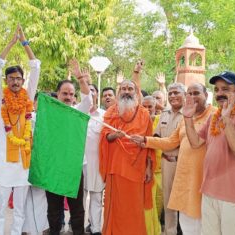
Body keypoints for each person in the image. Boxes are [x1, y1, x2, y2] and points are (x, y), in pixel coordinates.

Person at [132, 83, 216, 235]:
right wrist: (145, 140)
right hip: (181, 172)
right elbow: (171, 141)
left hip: (202, 175)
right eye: (189, 93)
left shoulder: (214, 115)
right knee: (183, 215)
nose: (192, 97)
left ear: (206, 95)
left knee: (202, 218)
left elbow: (197, 143)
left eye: (196, 93)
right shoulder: (186, 117)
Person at [183, 71, 235, 235]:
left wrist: (227, 118)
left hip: (232, 193)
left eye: (225, 89)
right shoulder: (214, 117)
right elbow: (196, 143)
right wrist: (188, 118)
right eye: (216, 89)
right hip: (209, 190)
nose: (219, 93)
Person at [0, 25, 41, 235]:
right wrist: (11, 43)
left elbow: (36, 66)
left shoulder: (28, 98)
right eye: (11, 78)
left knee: (20, 210)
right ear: (6, 81)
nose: (15, 81)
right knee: (0, 210)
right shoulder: (0, 99)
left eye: (18, 78)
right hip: (3, 164)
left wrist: (24, 42)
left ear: (22, 81)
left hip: (23, 165)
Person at [99, 80, 154, 235]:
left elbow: (149, 141)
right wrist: (115, 134)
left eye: (130, 88)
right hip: (116, 167)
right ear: (119, 92)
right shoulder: (111, 112)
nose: (126, 91)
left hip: (137, 168)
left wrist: (149, 167)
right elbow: (105, 136)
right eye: (123, 88)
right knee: (116, 206)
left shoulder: (144, 113)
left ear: (136, 92)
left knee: (134, 207)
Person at [45, 59, 92, 235]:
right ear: (57, 94)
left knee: (77, 209)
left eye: (71, 94)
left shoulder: (78, 112)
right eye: (64, 93)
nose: (68, 97)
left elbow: (88, 99)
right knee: (54, 210)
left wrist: (80, 78)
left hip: (73, 168)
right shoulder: (47, 114)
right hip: (53, 168)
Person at [155, 82, 185, 235]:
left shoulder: (190, 114)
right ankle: (170, 232)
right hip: (166, 162)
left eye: (176, 93)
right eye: (171, 93)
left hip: (185, 164)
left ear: (184, 95)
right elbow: (156, 136)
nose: (173, 96)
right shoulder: (164, 114)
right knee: (169, 203)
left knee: (185, 203)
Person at [83, 84, 105, 235]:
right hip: (78, 164)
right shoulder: (76, 112)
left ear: (96, 94)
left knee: (96, 197)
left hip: (98, 163)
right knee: (79, 199)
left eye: (92, 91)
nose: (90, 94)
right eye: (86, 91)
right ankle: (77, 226)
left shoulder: (104, 115)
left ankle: (95, 228)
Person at [141, 95, 163, 235]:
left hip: (161, 170)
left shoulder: (162, 120)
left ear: (156, 108)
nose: (148, 109)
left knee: (158, 205)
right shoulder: (138, 122)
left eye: (151, 107)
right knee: (147, 207)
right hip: (145, 171)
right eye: (145, 106)